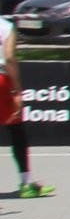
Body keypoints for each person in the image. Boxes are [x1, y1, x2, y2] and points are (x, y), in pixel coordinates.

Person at [0, 23, 47, 198]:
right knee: (16, 128)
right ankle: (26, 182)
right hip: (1, 79)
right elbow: (10, 57)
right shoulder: (5, 26)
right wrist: (16, 90)